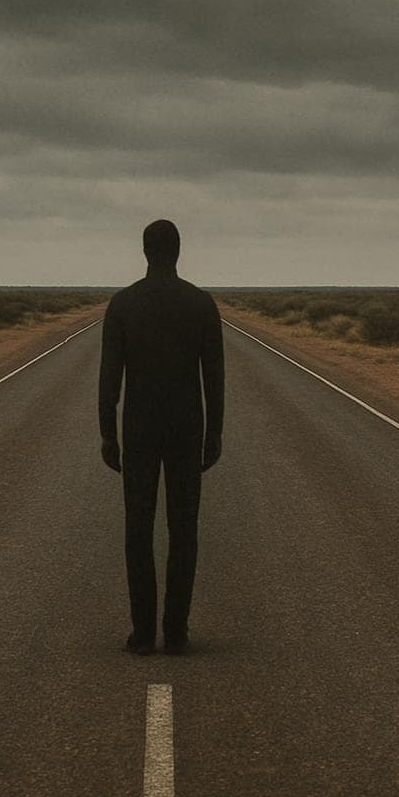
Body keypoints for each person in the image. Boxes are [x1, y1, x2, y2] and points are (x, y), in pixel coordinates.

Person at [98, 219, 225, 656]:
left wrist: (107, 434)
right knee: (184, 530)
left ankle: (142, 633)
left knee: (138, 529)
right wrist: (215, 432)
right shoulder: (201, 304)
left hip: (139, 429)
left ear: (144, 251)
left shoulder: (123, 304)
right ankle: (175, 631)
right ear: (178, 251)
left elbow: (109, 380)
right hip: (187, 428)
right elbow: (215, 378)